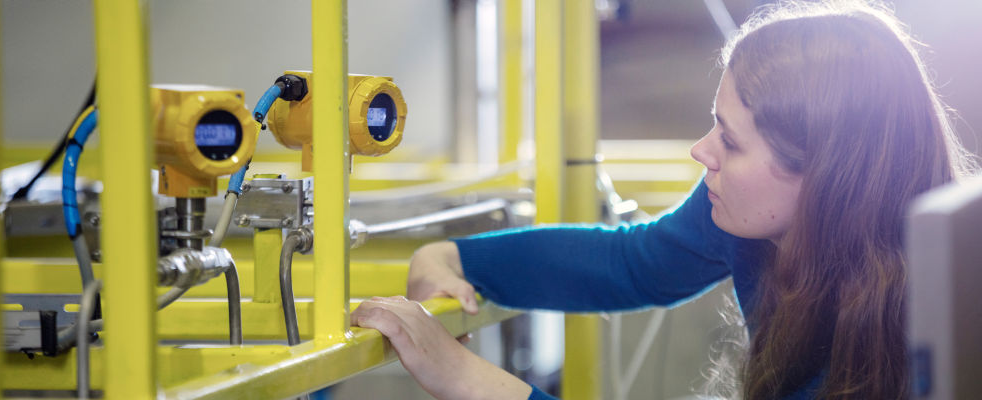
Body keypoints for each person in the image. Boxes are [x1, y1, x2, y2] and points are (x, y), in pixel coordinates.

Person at [351, 1, 976, 399]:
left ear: (825, 176)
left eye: (730, 141)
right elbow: (634, 263)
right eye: (715, 123)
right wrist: (457, 258)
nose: (702, 151)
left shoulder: (917, 327)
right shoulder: (746, 218)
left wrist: (465, 380)